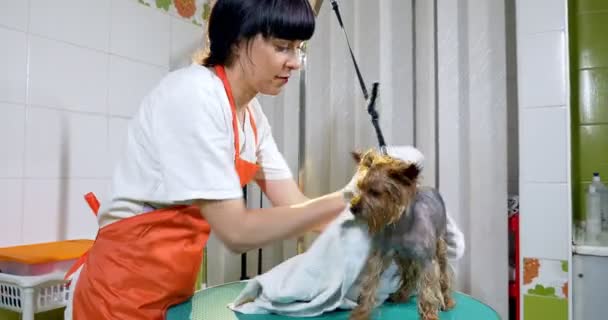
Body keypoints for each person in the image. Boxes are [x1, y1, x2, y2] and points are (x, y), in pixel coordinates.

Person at [64, 1, 348, 319]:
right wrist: (349, 196)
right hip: (117, 293)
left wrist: (368, 222)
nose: (295, 63)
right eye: (283, 47)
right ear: (238, 42)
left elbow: (294, 205)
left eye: (299, 49)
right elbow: (236, 231)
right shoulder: (192, 95)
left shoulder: (253, 117)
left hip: (174, 292)